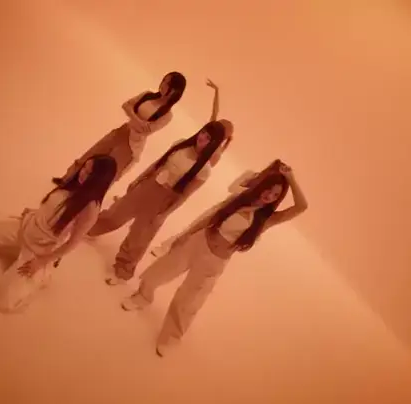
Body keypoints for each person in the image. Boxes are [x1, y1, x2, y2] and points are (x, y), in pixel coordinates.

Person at [120, 161, 308, 357]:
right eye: (269, 189)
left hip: (215, 261)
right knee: (161, 270)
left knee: (189, 300)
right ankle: (142, 297)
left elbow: (301, 207)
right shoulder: (240, 198)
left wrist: (291, 179)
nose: (269, 196)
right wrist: (186, 235)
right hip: (199, 242)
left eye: (276, 195)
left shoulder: (267, 219)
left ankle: (170, 337)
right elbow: (211, 218)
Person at [0, 155, 118, 313]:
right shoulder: (72, 184)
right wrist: (34, 213)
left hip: (41, 250)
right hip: (26, 226)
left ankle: (44, 274)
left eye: (89, 173)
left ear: (98, 181)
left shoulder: (91, 209)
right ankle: (15, 243)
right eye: (84, 167)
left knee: (2, 301)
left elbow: (72, 243)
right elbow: (51, 208)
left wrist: (41, 261)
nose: (82, 173)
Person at [87, 120, 229, 286]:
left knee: (139, 236)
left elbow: (185, 195)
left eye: (208, 138)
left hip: (164, 198)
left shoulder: (204, 169)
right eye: (203, 132)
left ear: (214, 144)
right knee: (116, 213)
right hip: (149, 184)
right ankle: (90, 229)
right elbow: (157, 164)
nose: (202, 137)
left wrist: (164, 214)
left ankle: (122, 270)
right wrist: (139, 179)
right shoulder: (181, 144)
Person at [52, 72, 187, 187]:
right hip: (122, 130)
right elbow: (126, 105)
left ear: (175, 90)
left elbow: (146, 129)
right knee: (93, 153)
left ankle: (87, 196)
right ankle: (68, 179)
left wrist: (133, 115)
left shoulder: (167, 115)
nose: (162, 84)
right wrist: (139, 120)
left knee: (110, 173)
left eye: (167, 83)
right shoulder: (147, 95)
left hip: (132, 144)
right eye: (164, 80)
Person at [149, 160, 282, 257]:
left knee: (207, 237)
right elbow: (232, 188)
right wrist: (252, 191)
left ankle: (175, 253)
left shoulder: (267, 198)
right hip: (226, 208)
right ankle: (166, 247)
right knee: (194, 228)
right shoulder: (251, 176)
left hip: (238, 219)